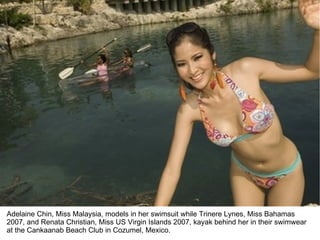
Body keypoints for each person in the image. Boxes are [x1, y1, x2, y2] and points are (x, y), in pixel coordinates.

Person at [154, 0, 319, 206]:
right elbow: (172, 170)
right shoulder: (189, 110)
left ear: (211, 53)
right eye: (181, 64)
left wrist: (319, 31)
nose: (192, 70)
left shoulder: (245, 70)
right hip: (244, 175)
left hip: (286, 172)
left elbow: (312, 71)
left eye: (197, 57)